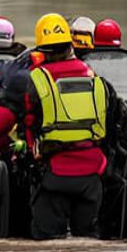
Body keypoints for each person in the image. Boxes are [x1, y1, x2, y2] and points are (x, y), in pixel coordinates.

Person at [22, 13, 111, 239]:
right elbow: (109, 123)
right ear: (70, 45)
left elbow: (29, 123)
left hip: (55, 174)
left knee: (47, 243)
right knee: (88, 241)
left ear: (42, 50)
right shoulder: (95, 79)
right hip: (92, 174)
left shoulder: (38, 78)